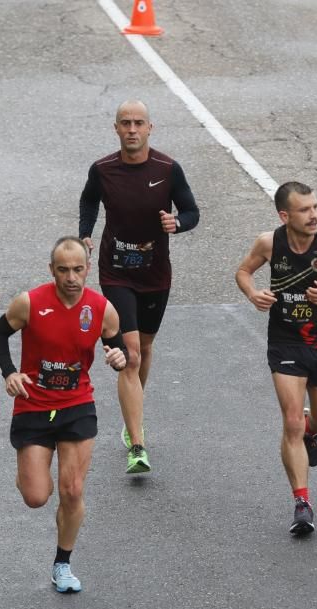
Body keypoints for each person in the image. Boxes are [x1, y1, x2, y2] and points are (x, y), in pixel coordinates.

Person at [0, 237, 128, 592]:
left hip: (76, 406)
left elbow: (117, 342)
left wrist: (118, 357)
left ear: (87, 270)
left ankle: (62, 564)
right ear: (52, 270)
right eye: (63, 269)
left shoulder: (100, 307)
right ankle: (29, 475)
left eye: (78, 269)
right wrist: (9, 372)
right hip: (33, 406)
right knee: (36, 496)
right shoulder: (30, 302)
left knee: (73, 489)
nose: (71, 277)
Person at [235, 182, 317, 535]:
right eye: (305, 210)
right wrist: (253, 294)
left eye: (316, 207)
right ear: (285, 215)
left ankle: (312, 429)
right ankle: (302, 503)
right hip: (285, 341)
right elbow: (243, 272)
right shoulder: (269, 243)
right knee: (290, 421)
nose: (314, 215)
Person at [78, 99, 200, 474]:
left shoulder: (168, 169)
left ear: (150, 128)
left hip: (155, 274)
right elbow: (88, 199)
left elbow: (191, 211)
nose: (132, 129)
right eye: (125, 123)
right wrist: (85, 234)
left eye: (138, 123)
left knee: (144, 348)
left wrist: (176, 225)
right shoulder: (102, 169)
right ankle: (138, 443)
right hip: (116, 273)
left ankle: (134, 415)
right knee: (129, 353)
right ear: (116, 129)